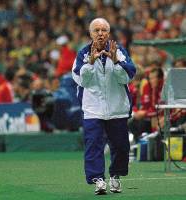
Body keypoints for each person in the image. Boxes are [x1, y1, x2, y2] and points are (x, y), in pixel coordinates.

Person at [71, 18, 136, 195]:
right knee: (93, 145)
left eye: (104, 30)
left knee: (122, 146)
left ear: (109, 33)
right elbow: (81, 81)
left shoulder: (119, 51)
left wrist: (115, 62)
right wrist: (90, 63)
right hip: (93, 110)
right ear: (90, 33)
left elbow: (128, 77)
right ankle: (98, 180)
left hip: (117, 109)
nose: (100, 33)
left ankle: (115, 176)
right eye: (96, 30)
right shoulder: (83, 54)